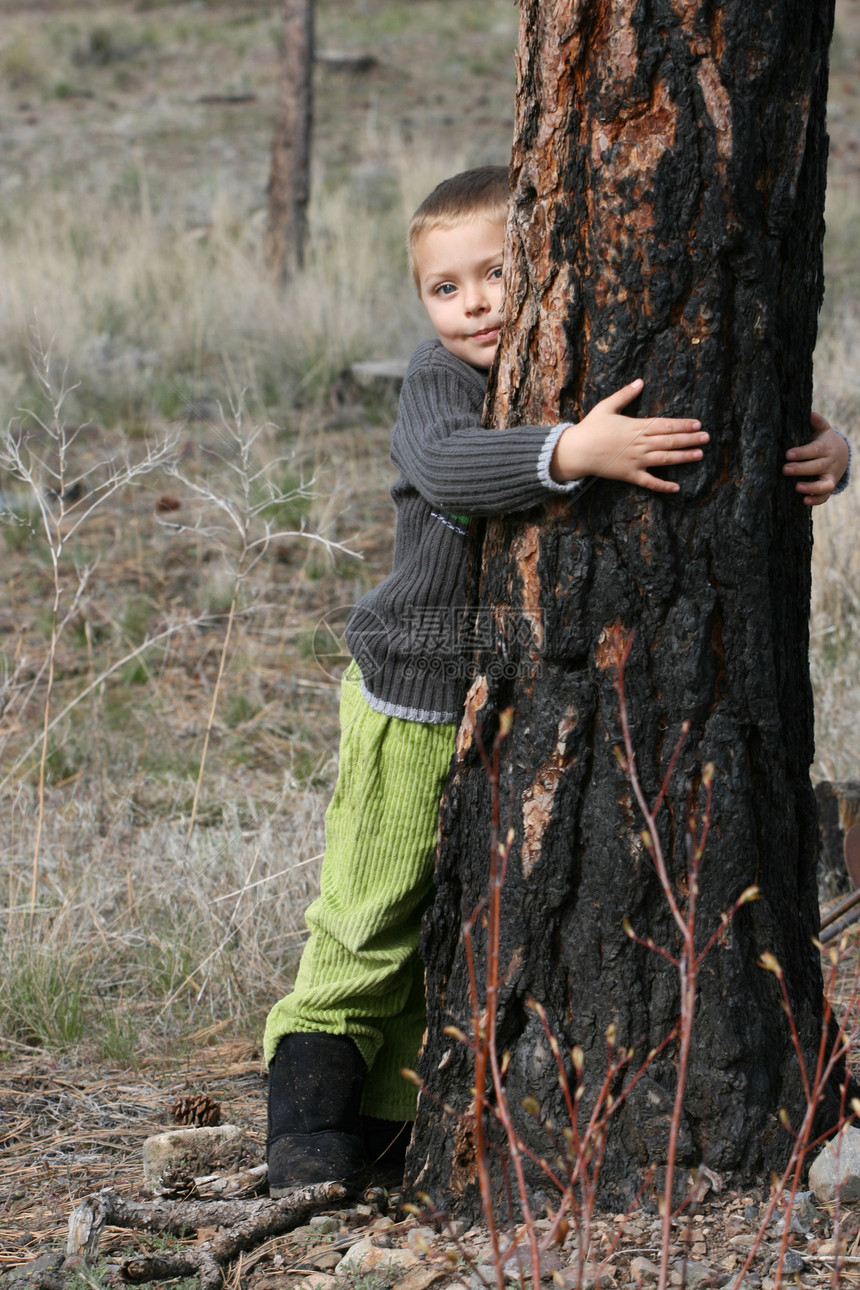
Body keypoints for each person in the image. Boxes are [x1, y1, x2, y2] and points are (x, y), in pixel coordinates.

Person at [263, 167, 851, 1197]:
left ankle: (388, 1128)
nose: (475, 303)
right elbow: (448, 469)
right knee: (368, 910)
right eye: (444, 287)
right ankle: (304, 1125)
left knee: (450, 923)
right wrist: (575, 449)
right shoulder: (439, 381)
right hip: (414, 687)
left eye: (495, 274)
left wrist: (819, 445)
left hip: (502, 707)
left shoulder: (583, 347)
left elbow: (713, 397)